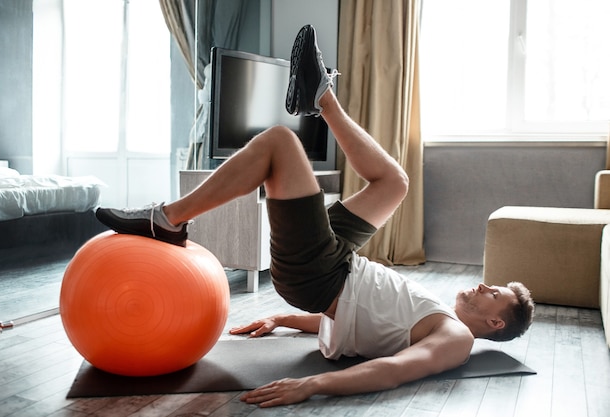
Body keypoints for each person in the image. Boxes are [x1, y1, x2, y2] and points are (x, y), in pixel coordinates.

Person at [96, 24, 535, 408]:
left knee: (279, 144)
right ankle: (322, 97)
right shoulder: (440, 316)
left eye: (492, 293)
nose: (482, 284)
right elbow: (364, 322)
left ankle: (167, 218)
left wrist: (313, 386)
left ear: (495, 323)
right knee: (394, 184)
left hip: (322, 274)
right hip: (339, 263)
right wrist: (282, 320)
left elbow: (396, 370)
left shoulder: (455, 340)